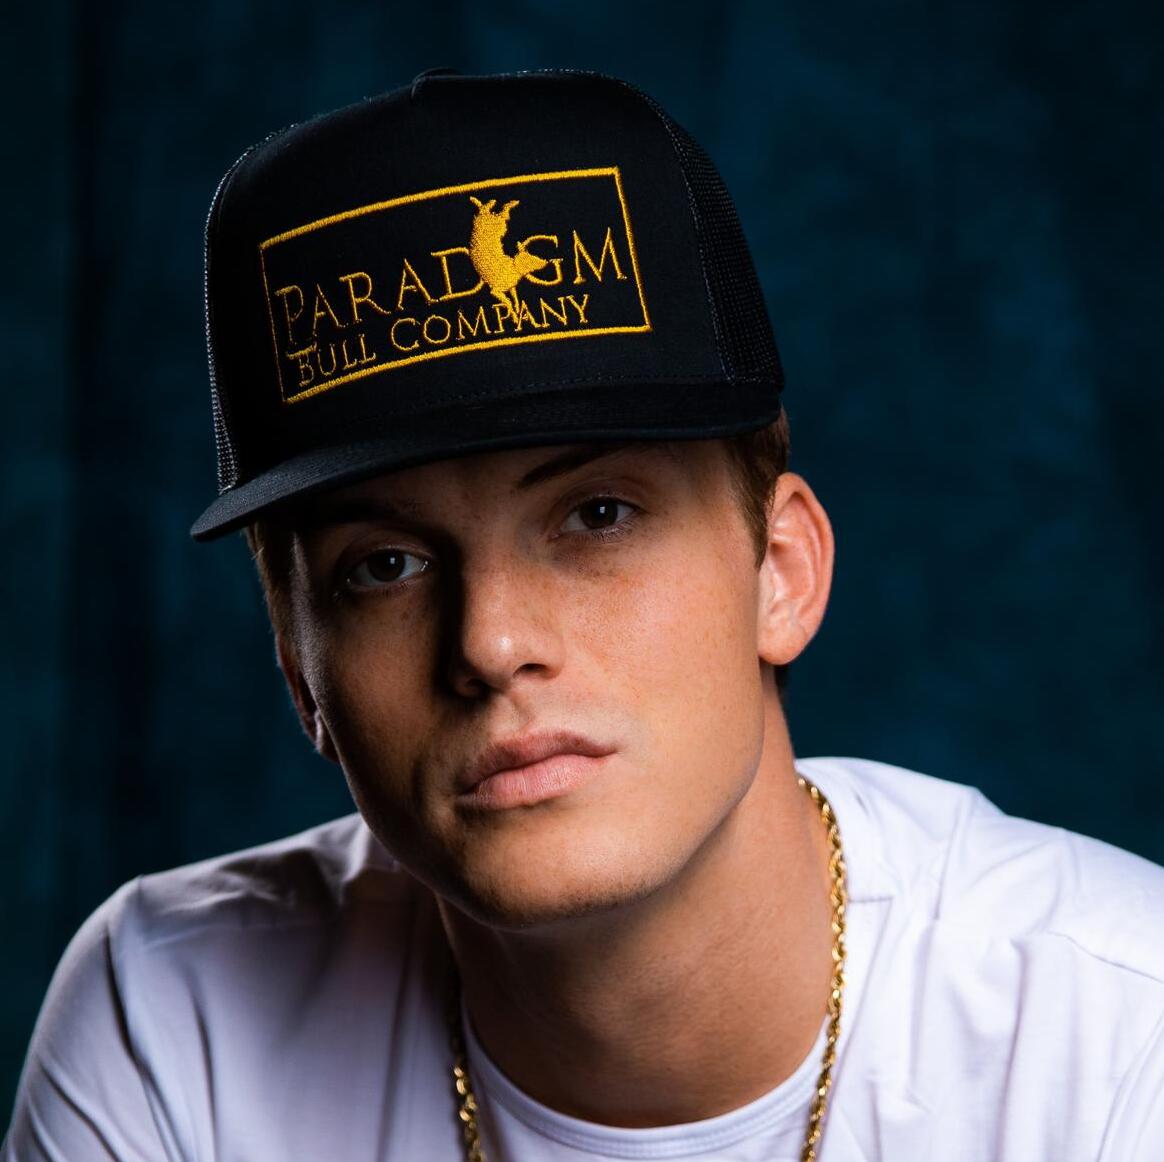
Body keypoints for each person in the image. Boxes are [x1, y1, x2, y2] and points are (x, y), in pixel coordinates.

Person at [5, 68, 1163, 1162]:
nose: (491, 643)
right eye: (385, 565)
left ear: (781, 570)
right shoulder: (175, 1021)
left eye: (597, 515)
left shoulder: (1114, 1038)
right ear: (300, 671)